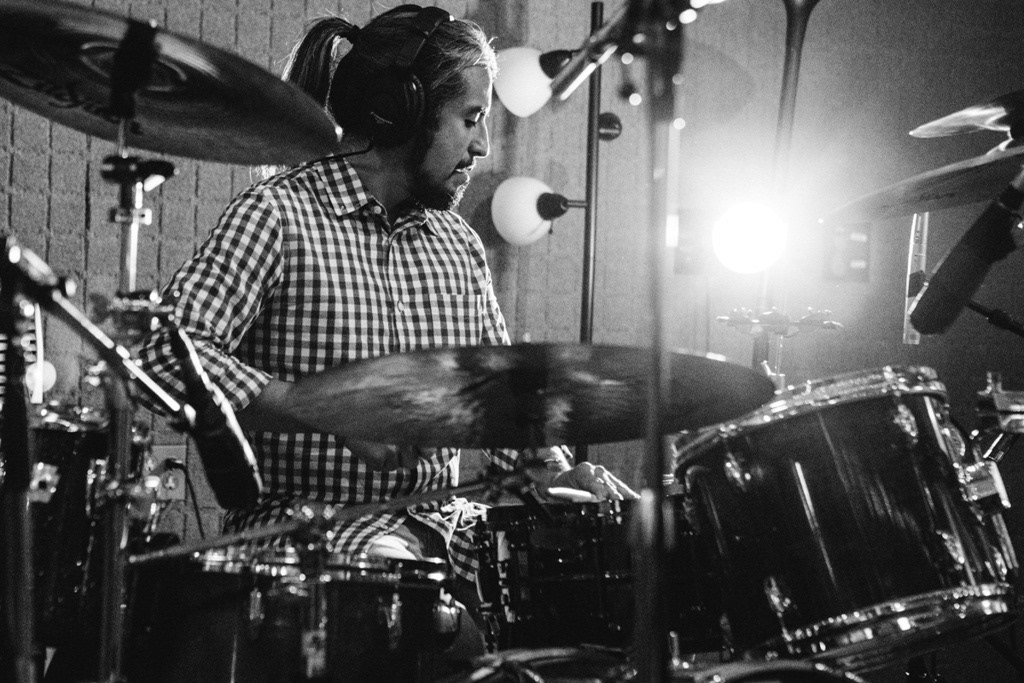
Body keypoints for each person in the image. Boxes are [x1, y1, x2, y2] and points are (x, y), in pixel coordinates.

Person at [135, 2, 636, 660]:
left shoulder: (457, 244)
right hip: (310, 535)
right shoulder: (278, 214)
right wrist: (313, 407)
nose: (483, 146)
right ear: (404, 111)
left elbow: (502, 407)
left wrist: (558, 480)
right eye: (471, 118)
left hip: (446, 524)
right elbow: (162, 350)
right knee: (433, 623)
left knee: (602, 595)